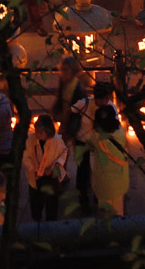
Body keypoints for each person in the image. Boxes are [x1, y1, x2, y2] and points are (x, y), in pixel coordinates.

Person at [51, 55, 89, 209]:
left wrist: (67, 123)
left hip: (73, 124)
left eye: (65, 70)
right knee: (62, 152)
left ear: (73, 71)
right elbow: (60, 98)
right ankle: (63, 177)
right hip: (66, 122)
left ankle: (63, 181)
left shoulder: (78, 89)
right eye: (61, 70)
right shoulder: (65, 83)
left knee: (62, 153)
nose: (62, 73)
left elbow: (78, 109)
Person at [23, 114, 68, 222]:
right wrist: (34, 168)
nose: (37, 134)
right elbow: (26, 156)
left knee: (51, 205)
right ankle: (37, 223)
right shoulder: (30, 140)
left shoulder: (57, 141)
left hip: (50, 179)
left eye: (40, 132)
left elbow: (63, 152)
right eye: (36, 131)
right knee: (36, 204)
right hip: (35, 178)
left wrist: (55, 167)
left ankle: (51, 226)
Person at [88, 106, 129, 217]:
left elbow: (91, 146)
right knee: (118, 211)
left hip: (103, 181)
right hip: (119, 179)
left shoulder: (96, 138)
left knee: (104, 212)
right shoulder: (121, 133)